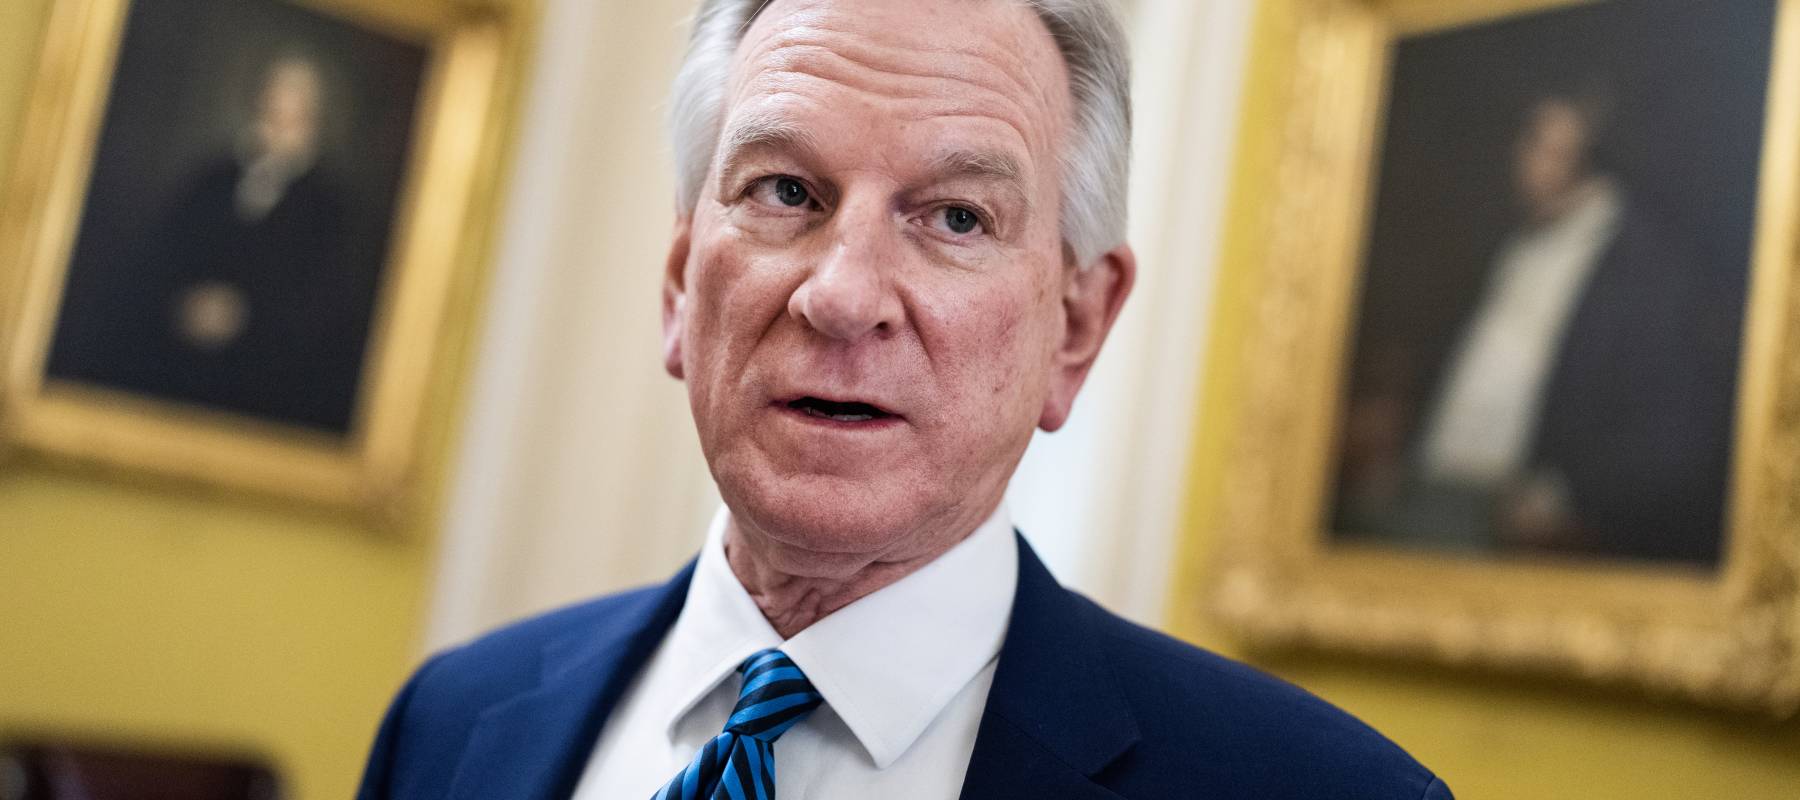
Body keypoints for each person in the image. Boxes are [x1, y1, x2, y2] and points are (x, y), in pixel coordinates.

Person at [357, 1, 1452, 798]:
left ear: (1075, 325)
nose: (842, 296)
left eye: (957, 218)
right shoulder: (449, 723)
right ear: (681, 284)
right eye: (786, 191)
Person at [1345, 87, 1740, 566]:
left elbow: (1668, 427)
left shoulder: (1643, 264)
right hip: (1432, 486)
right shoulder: (1511, 241)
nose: (1525, 158)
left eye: (1550, 148)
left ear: (1591, 161)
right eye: (1531, 140)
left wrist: (1569, 500)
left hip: (1521, 525)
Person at [47, 53, 378, 433]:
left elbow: (322, 309)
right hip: (178, 363)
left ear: (315, 123)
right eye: (271, 111)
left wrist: (245, 318)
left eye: (293, 117)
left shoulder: (329, 209)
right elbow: (158, 259)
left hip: (265, 387)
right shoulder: (211, 181)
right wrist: (185, 304)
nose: (277, 126)